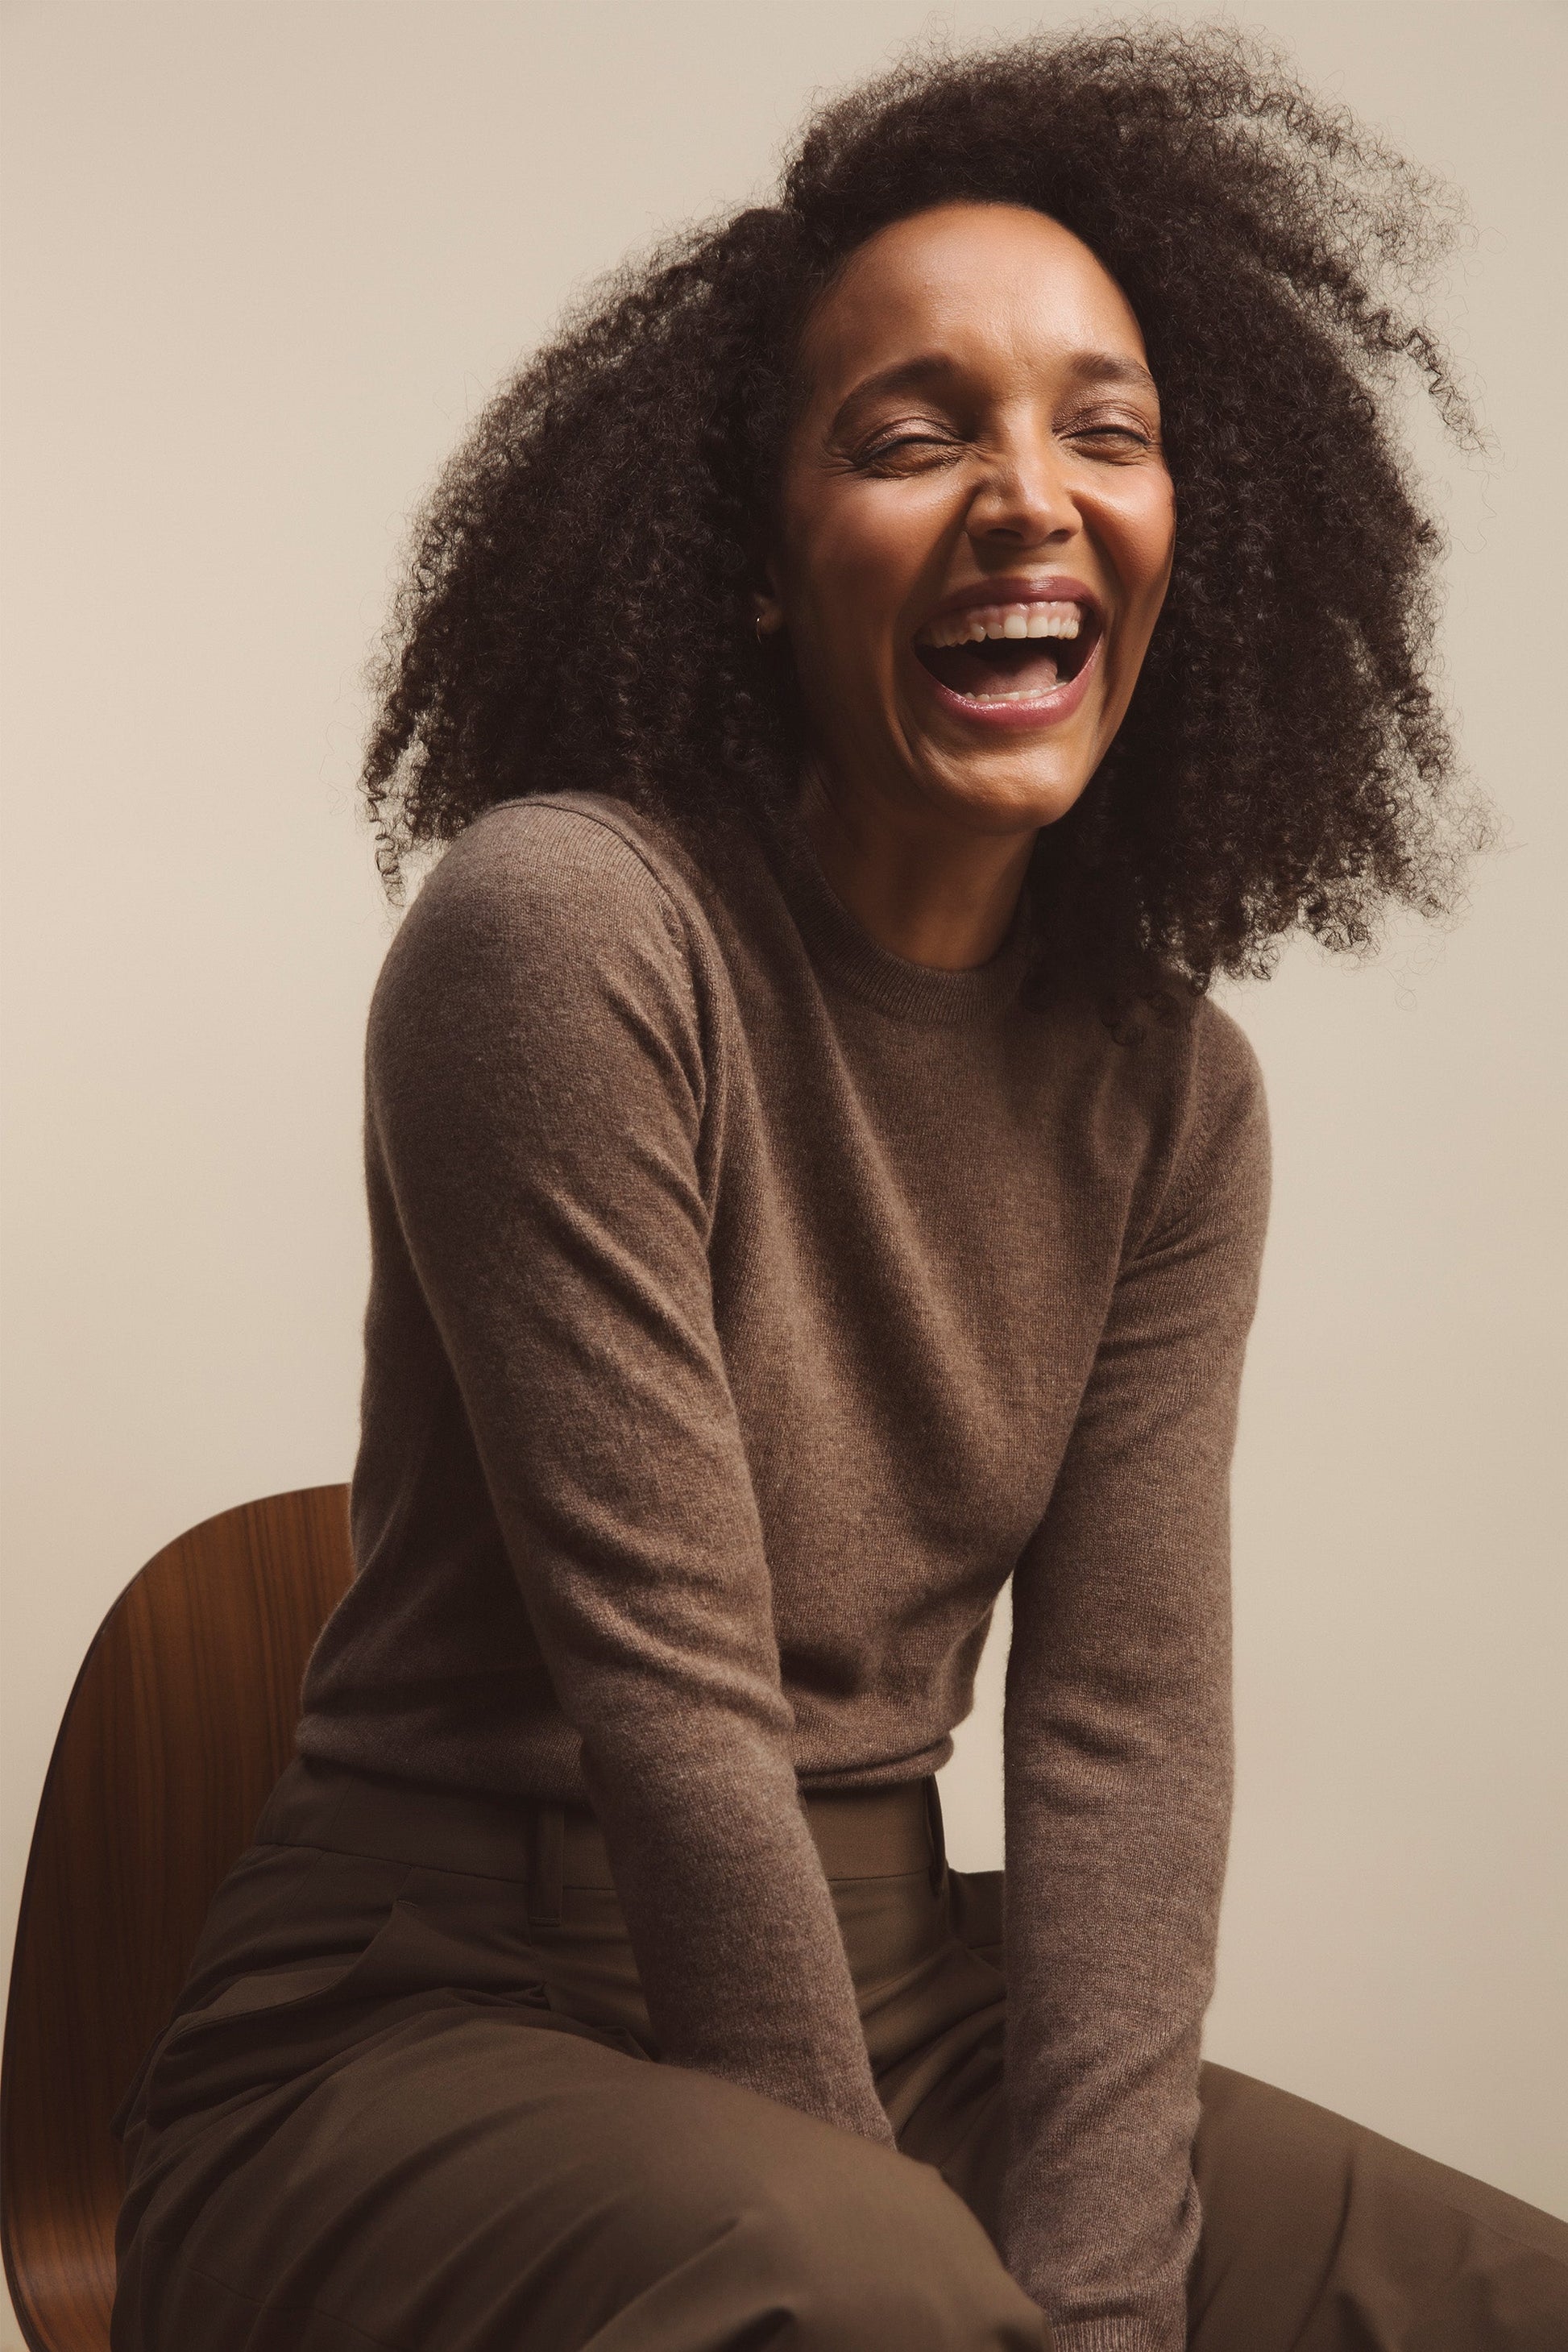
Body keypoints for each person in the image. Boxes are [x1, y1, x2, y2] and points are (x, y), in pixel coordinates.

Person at [110, 27, 1567, 2352]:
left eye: (1105, 428)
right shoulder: (569, 936)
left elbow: (1117, 1742)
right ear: (755, 566)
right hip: (420, 2040)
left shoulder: (1172, 1093)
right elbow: (673, 1705)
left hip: (926, 2003)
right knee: (861, 2284)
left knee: (1495, 2294)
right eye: (913, 435)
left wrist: (1097, 2307)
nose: (1028, 492)